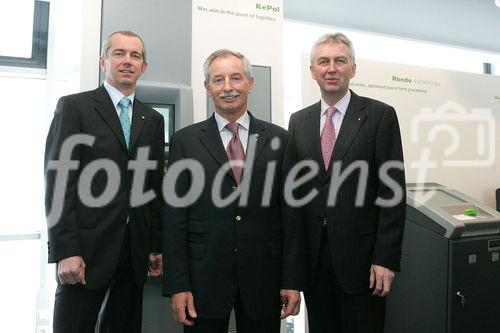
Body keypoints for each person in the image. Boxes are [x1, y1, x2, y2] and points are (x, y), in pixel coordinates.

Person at [163, 49, 304, 333]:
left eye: (236, 78)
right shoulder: (185, 142)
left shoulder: (281, 140)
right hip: (203, 280)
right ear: (207, 87)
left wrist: (292, 280)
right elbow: (174, 218)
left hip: (264, 279)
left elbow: (292, 218)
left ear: (250, 83)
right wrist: (178, 285)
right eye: (218, 80)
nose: (228, 87)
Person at [44, 31, 165, 333]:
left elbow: (150, 188)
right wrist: (65, 250)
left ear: (143, 67)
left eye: (135, 55)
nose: (127, 61)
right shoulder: (75, 107)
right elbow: (59, 182)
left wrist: (153, 246)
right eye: (119, 53)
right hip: (84, 253)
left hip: (132, 252)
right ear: (103, 61)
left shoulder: (151, 120)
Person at [288, 33, 406, 333]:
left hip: (363, 263)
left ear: (353, 68)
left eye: (340, 61)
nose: (331, 68)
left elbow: (391, 193)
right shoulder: (298, 121)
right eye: (323, 61)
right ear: (312, 70)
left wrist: (385, 259)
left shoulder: (380, 116)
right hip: (315, 264)